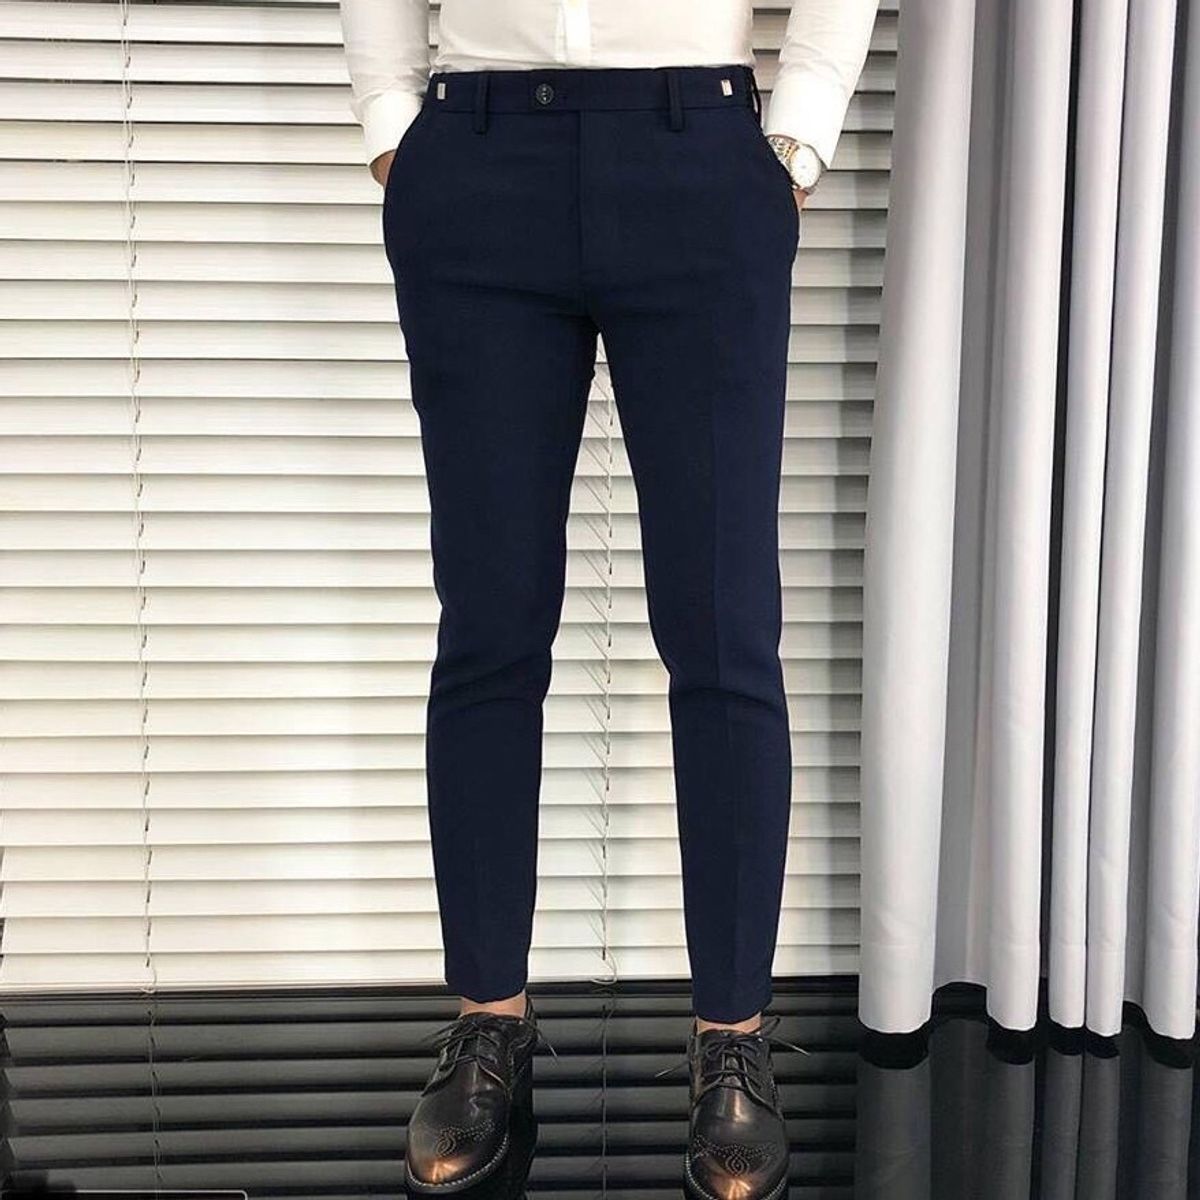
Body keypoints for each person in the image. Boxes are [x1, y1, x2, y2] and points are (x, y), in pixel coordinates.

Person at [337, 2, 878, 1196]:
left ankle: (733, 1035)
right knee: (489, 626)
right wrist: (391, 123)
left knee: (724, 628)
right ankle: (490, 1019)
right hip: (478, 159)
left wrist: (798, 135)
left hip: (700, 156)